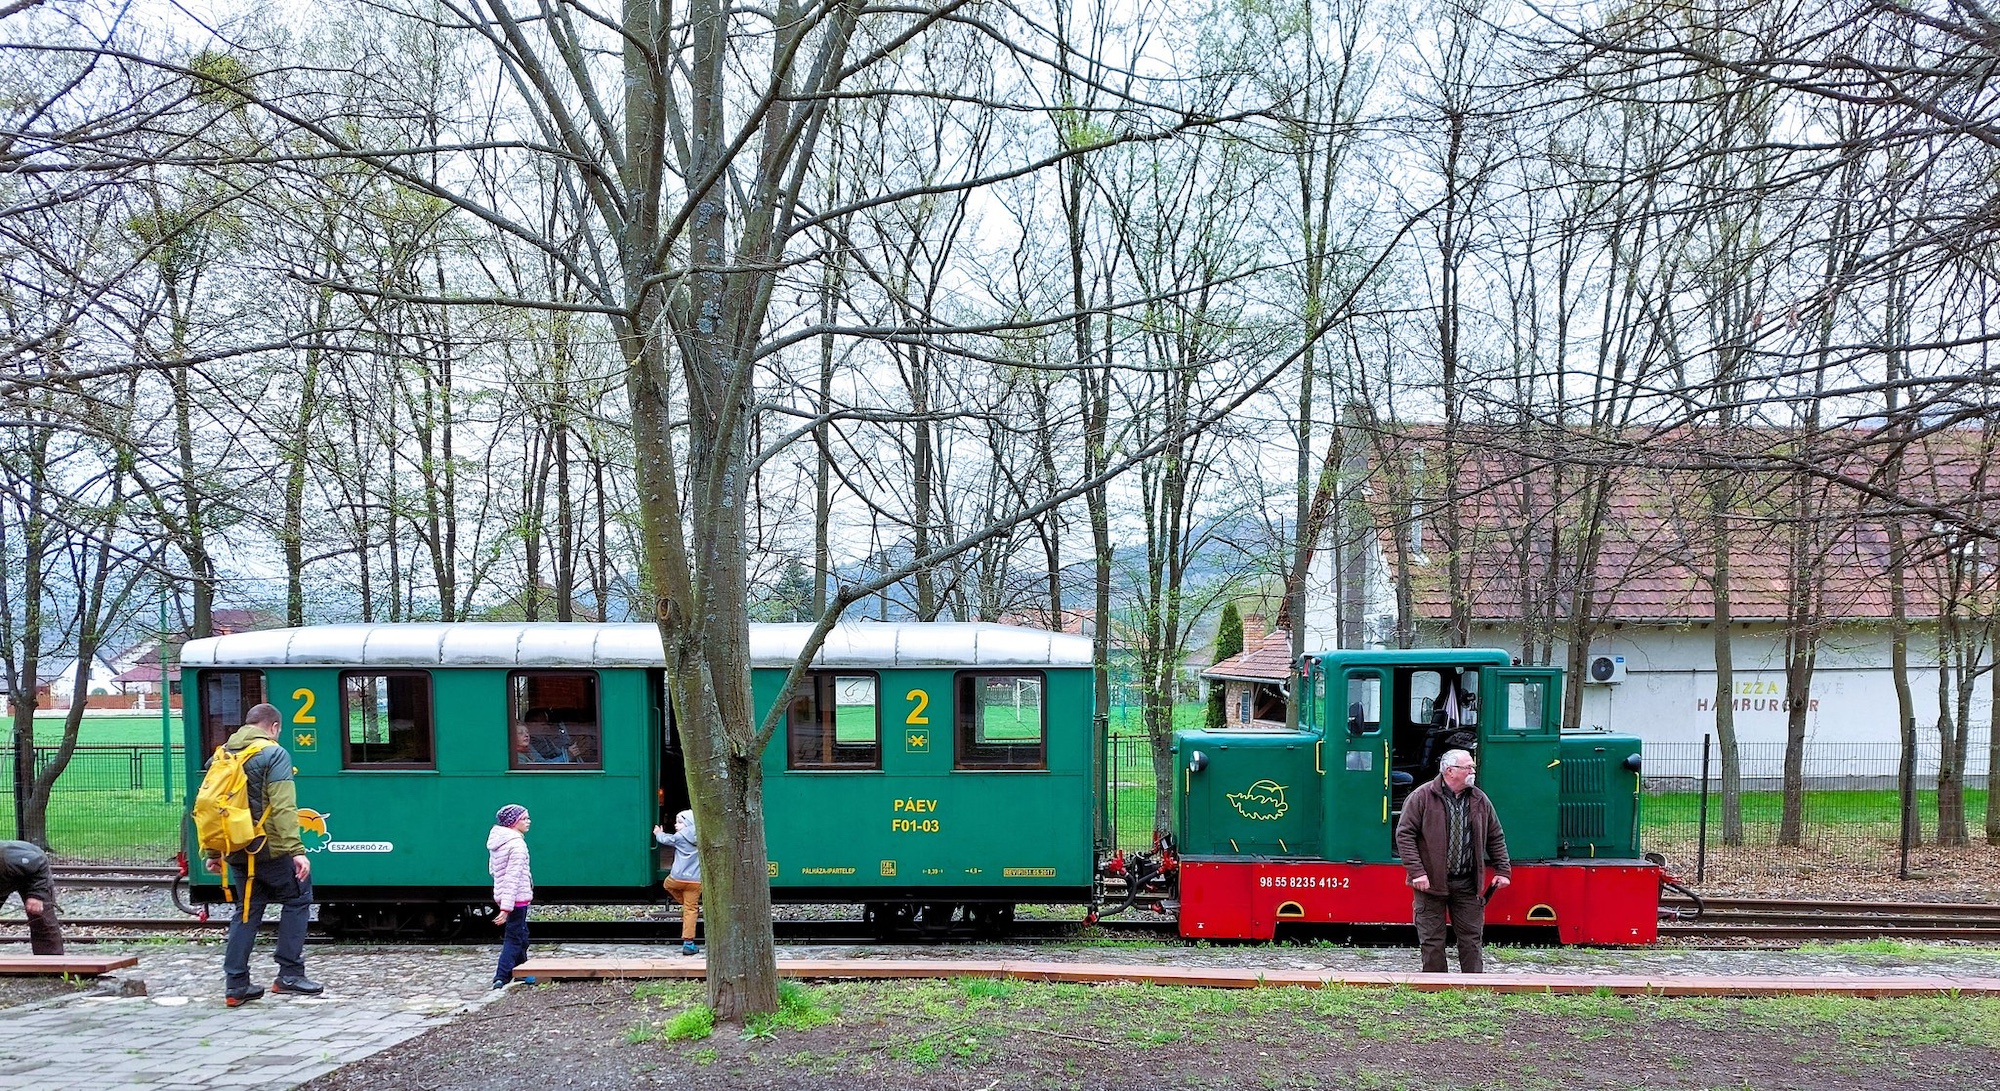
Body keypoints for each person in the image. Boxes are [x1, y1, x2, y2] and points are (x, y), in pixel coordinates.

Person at [204, 702, 322, 1006]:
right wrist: (297, 850)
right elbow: (283, 807)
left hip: (237, 848)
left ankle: (236, 985)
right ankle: (290, 974)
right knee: (298, 898)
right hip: (268, 847)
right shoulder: (273, 753)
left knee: (246, 912)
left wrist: (214, 851)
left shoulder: (223, 754)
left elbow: (209, 807)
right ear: (274, 727)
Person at [1393, 748, 1511, 973]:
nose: (1473, 771)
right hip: (1430, 884)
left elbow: (1495, 836)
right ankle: (1436, 987)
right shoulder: (1421, 797)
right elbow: (1404, 835)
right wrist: (1417, 872)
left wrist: (1503, 871)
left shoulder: (1480, 799)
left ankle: (1474, 986)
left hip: (1467, 884)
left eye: (1473, 767)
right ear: (1450, 770)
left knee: (1472, 939)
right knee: (1432, 940)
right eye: (1468, 767)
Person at [488, 803, 535, 988]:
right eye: (524, 818)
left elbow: (494, 871)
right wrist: (506, 908)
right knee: (514, 937)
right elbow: (513, 877)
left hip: (508, 895)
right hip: (516, 898)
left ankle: (523, 971)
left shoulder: (498, 842)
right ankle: (501, 976)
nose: (528, 821)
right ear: (514, 822)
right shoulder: (517, 844)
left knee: (522, 935)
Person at [0, 839, 65, 955]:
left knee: (41, 919)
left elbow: (38, 862)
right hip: (4, 878)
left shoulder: (9, 856)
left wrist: (37, 894)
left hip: (33, 875)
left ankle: (51, 967)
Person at [653, 809, 701, 955]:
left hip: (677, 878)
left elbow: (665, 840)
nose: (676, 825)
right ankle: (688, 943)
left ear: (688, 824)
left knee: (667, 884)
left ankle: (686, 905)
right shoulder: (701, 836)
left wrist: (658, 833)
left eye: (680, 822)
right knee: (690, 910)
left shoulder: (679, 836)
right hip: (696, 881)